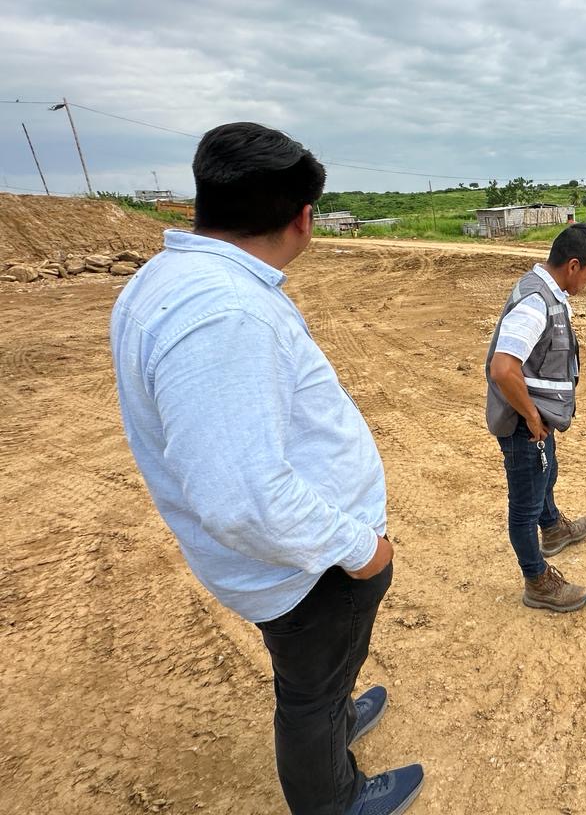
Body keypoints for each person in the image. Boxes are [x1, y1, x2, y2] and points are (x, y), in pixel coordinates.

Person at [110, 123, 422, 815]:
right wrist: (362, 550)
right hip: (308, 570)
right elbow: (243, 498)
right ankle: (335, 799)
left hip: (292, 559)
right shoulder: (227, 314)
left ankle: (339, 715)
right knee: (309, 694)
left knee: (322, 678)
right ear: (304, 218)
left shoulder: (169, 278)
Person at [485, 222, 586, 613]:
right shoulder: (536, 302)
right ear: (573, 266)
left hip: (537, 416)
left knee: (546, 473)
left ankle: (553, 527)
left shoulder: (546, 290)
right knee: (524, 505)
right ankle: (537, 580)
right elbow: (503, 369)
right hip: (524, 423)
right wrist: (532, 418)